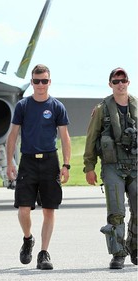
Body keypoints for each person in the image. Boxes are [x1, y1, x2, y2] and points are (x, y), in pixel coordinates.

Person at [6, 64, 71, 270]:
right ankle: (28, 239)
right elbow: (13, 135)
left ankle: (44, 253)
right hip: (28, 161)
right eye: (36, 81)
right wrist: (10, 162)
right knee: (24, 209)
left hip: (50, 161)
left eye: (44, 81)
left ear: (49, 82)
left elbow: (64, 137)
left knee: (49, 209)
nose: (40, 85)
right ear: (32, 82)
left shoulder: (57, 107)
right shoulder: (23, 106)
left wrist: (66, 164)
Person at [83, 67, 137, 269]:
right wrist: (89, 166)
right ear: (110, 84)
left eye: (124, 80)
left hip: (136, 165)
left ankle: (135, 248)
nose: (120, 84)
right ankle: (118, 253)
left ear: (128, 82)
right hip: (113, 166)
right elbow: (91, 139)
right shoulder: (101, 109)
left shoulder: (137, 106)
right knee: (116, 212)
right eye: (116, 81)